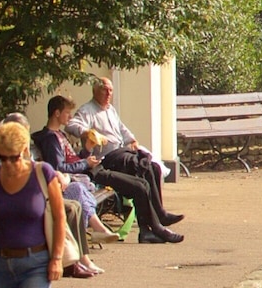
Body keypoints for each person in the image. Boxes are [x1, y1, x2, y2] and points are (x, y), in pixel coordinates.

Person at [66, 76, 184, 243]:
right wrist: (88, 133)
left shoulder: (110, 109)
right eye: (104, 90)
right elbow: (71, 125)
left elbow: (121, 128)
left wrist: (132, 140)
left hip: (121, 152)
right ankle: (156, 224)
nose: (108, 93)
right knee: (140, 168)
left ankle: (155, 219)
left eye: (110, 90)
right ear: (95, 91)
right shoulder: (88, 110)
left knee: (152, 168)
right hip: (107, 158)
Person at [34, 96, 125, 252]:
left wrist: (86, 151)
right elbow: (58, 167)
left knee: (80, 189)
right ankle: (95, 232)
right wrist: (85, 163)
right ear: (57, 113)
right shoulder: (51, 139)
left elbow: (70, 160)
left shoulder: (60, 134)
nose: (70, 117)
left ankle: (96, 232)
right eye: (67, 113)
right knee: (78, 190)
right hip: (61, 185)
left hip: (72, 180)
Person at [0, 120, 68, 287]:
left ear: (24, 150)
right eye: (2, 158)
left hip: (35, 263)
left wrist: (57, 258)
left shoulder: (42, 172)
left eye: (13, 158)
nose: (7, 164)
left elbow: (59, 217)